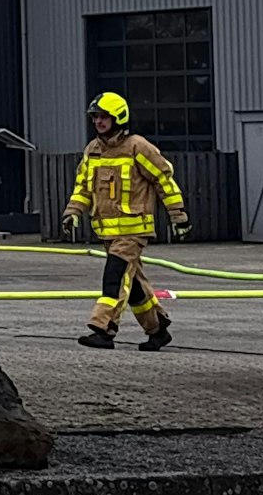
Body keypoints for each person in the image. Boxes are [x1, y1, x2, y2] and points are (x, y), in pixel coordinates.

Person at [63, 91, 191, 351]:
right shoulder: (93, 150)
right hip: (108, 232)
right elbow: (83, 186)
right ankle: (157, 329)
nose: (99, 122)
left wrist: (178, 215)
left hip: (133, 231)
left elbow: (164, 179)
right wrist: (72, 212)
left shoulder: (138, 147)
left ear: (118, 118)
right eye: (96, 117)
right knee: (132, 286)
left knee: (115, 275)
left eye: (104, 117)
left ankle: (104, 329)